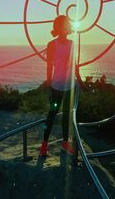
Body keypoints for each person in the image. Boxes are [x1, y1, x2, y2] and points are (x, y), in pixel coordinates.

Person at [39, 15, 75, 156]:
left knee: (67, 114)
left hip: (69, 85)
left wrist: (79, 80)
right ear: (59, 27)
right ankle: (44, 146)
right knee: (52, 114)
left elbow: (74, 65)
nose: (67, 27)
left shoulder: (72, 44)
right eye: (64, 25)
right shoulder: (52, 44)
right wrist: (48, 83)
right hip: (57, 85)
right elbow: (49, 66)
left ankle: (65, 144)